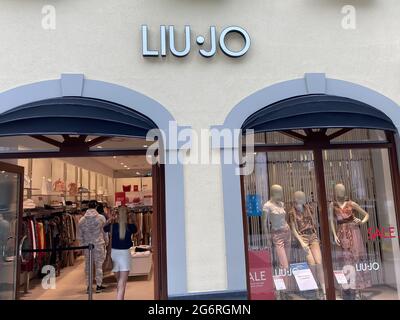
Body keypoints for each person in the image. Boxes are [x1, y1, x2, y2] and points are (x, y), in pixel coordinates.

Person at [104, 206, 137, 300]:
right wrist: (133, 219)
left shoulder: (112, 226)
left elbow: (103, 227)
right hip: (125, 254)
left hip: (114, 253)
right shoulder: (130, 227)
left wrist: (110, 219)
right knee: (122, 282)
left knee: (119, 281)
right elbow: (137, 231)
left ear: (117, 214)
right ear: (127, 215)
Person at [78, 200, 108, 293]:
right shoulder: (101, 218)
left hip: (88, 246)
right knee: (99, 265)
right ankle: (99, 285)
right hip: (98, 244)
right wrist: (106, 241)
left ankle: (89, 286)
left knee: (88, 266)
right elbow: (104, 231)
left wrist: (82, 245)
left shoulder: (82, 220)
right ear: (96, 207)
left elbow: (79, 235)